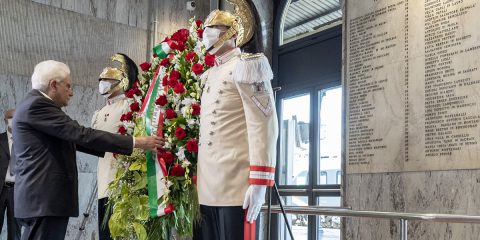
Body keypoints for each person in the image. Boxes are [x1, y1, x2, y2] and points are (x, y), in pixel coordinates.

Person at [12, 60, 162, 240]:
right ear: (53, 85)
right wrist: (135, 142)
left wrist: (123, 146)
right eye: (67, 86)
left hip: (42, 202)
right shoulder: (38, 105)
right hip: (43, 201)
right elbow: (79, 134)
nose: (72, 92)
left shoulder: (35, 104)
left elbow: (76, 140)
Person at [194, 5, 278, 240]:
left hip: (236, 184)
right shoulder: (210, 74)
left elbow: (263, 125)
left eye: (213, 28)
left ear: (233, 32)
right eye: (206, 28)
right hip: (207, 185)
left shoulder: (248, 65)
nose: (206, 33)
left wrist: (259, 183)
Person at [91, 53, 137, 240]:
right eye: (101, 79)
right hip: (103, 182)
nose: (103, 83)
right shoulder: (99, 112)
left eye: (108, 79)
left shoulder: (130, 106)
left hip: (123, 183)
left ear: (121, 81)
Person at [0, 109, 21, 240]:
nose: (13, 120)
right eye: (10, 117)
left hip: (17, 192)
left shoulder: (26, 143)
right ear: (5, 120)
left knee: (15, 232)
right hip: (1, 190)